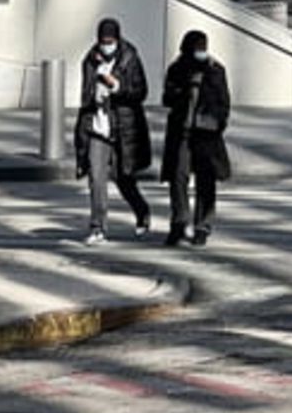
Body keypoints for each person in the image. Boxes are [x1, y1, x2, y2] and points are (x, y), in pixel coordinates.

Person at [76, 17, 152, 244]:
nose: (106, 45)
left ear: (117, 39)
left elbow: (140, 92)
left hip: (122, 126)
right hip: (97, 126)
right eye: (102, 41)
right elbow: (85, 93)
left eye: (110, 41)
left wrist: (116, 87)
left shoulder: (130, 58)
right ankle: (98, 227)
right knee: (97, 177)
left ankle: (141, 211)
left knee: (124, 178)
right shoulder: (90, 60)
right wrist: (93, 95)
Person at [160, 28, 232, 244]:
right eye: (196, 47)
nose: (200, 52)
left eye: (203, 47)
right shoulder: (177, 69)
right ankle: (179, 222)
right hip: (182, 131)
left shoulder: (215, 70)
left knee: (206, 179)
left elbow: (224, 101)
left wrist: (217, 123)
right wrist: (181, 91)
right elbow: (167, 98)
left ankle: (202, 226)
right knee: (178, 177)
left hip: (206, 132)